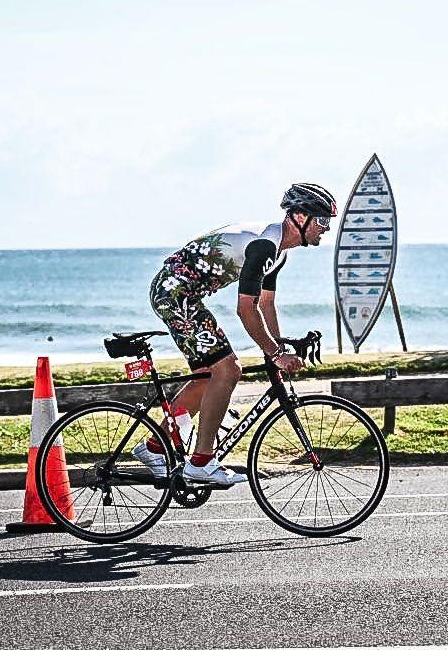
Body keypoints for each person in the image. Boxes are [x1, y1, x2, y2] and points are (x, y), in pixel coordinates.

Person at [133, 183, 336, 486]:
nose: (326, 229)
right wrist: (276, 354)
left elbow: (266, 304)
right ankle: (202, 461)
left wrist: (279, 346)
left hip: (182, 293)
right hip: (176, 293)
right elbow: (245, 309)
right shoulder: (265, 245)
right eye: (321, 221)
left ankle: (155, 446)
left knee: (206, 376)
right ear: (297, 217)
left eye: (328, 223)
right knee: (228, 370)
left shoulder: (278, 254)